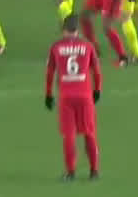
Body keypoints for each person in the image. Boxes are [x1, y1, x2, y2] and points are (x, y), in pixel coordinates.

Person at [44, 14, 102, 181]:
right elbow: (97, 72)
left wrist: (48, 94)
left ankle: (70, 172)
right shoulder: (88, 46)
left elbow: (50, 73)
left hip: (66, 97)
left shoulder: (56, 47)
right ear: (78, 30)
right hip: (85, 96)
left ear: (64, 29)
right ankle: (94, 171)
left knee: (69, 135)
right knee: (89, 133)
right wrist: (97, 90)